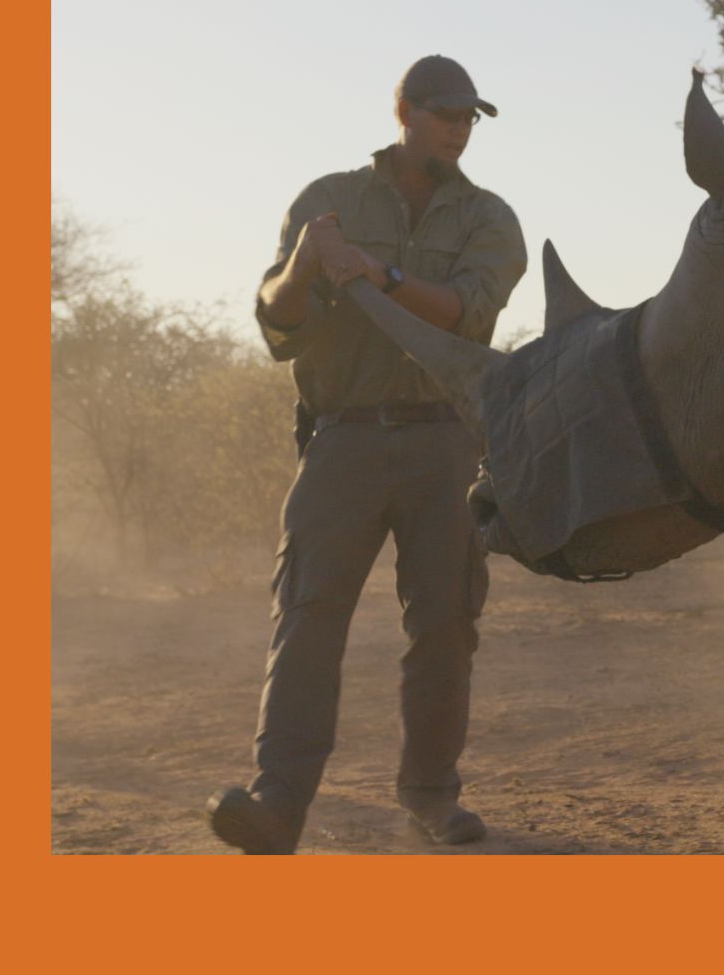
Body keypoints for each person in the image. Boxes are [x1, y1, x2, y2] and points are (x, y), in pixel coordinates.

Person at [212, 52, 528, 854]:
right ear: (405, 112)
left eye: (469, 118)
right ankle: (278, 803)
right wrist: (305, 263)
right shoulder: (329, 201)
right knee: (309, 620)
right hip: (343, 438)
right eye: (446, 113)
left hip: (446, 443)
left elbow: (467, 314)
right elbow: (280, 327)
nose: (460, 129)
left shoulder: (490, 217)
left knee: (446, 624)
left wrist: (377, 274)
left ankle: (429, 796)